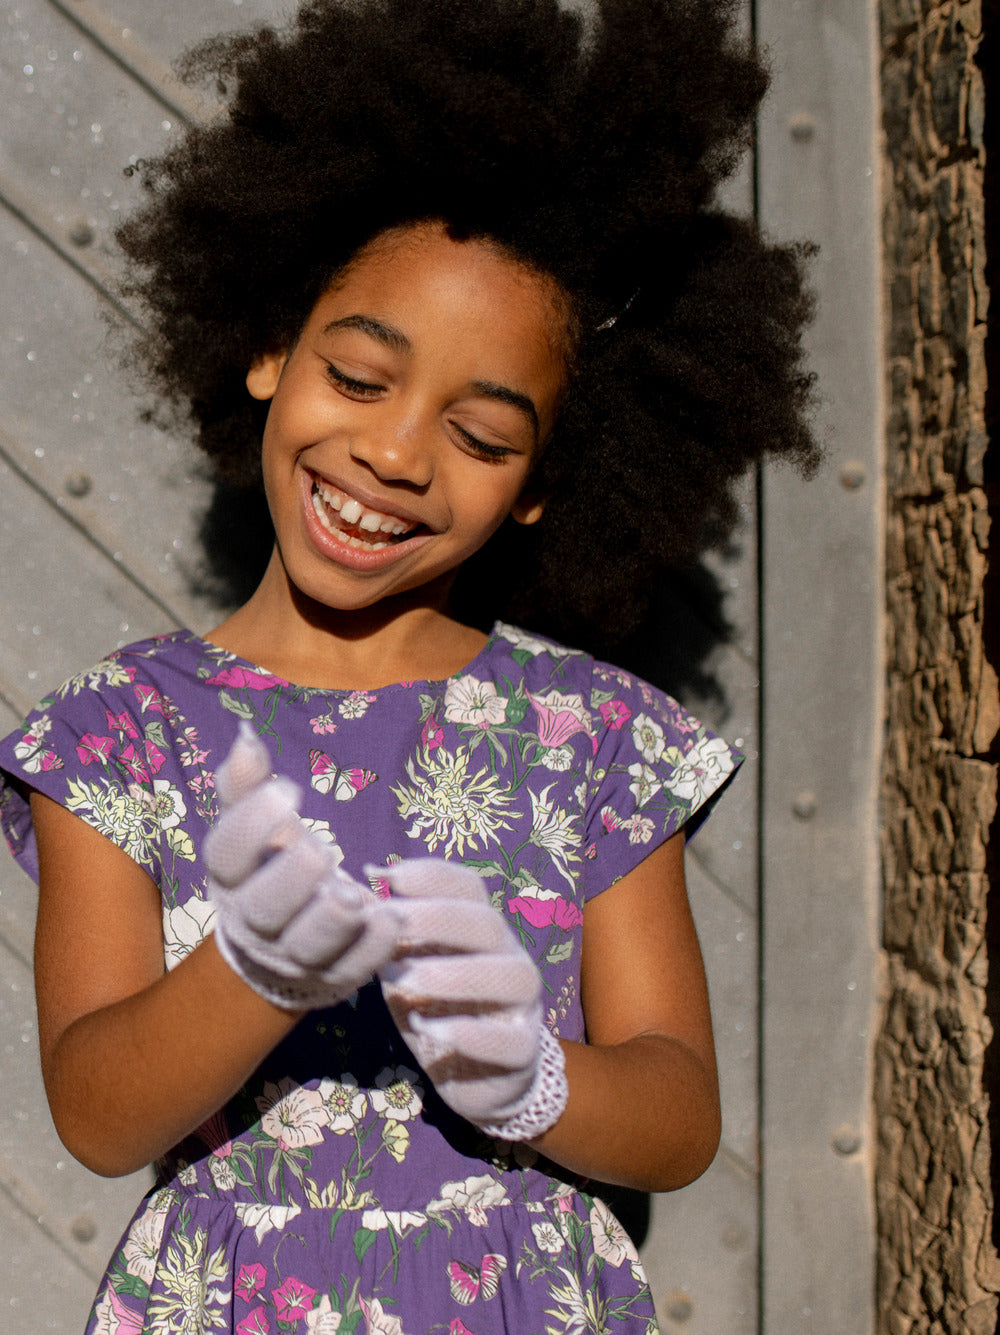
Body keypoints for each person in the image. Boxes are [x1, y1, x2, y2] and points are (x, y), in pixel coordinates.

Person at [0, 1, 817, 1330]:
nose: (395, 454)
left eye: (483, 437)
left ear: (546, 485)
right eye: (361, 376)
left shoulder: (597, 738)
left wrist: (541, 1081)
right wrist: (249, 973)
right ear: (272, 349)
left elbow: (676, 1122)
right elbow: (97, 1111)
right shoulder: (118, 732)